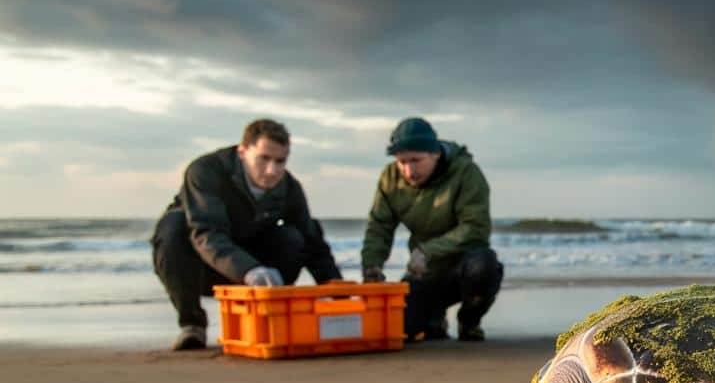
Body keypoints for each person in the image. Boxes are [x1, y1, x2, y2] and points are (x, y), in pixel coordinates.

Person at [151, 118, 343, 350]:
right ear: (243, 152)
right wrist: (248, 269)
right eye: (264, 159)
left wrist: (339, 292)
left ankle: (268, 317)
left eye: (280, 161)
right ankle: (192, 325)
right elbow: (206, 232)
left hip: (260, 273)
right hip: (199, 267)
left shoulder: (289, 188)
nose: (272, 170)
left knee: (292, 237)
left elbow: (313, 243)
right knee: (173, 226)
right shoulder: (205, 171)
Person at [360, 117, 502, 342]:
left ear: (435, 153)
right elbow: (380, 226)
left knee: (484, 266)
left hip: (462, 266)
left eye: (416, 160)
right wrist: (372, 266)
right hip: (423, 272)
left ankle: (469, 321)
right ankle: (434, 319)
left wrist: (428, 251)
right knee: (404, 330)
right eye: (402, 161)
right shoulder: (390, 178)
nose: (408, 170)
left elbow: (475, 229)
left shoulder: (466, 173)